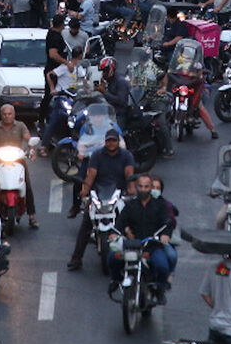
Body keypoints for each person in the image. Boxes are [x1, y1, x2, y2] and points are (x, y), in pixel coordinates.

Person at [67, 129, 134, 269]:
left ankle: (133, 255)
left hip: (119, 194)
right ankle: (76, 258)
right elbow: (91, 174)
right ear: (105, 141)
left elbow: (129, 174)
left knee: (129, 221)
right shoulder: (97, 155)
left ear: (118, 142)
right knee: (86, 223)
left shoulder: (126, 156)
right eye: (109, 140)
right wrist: (85, 191)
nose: (111, 143)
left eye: (114, 141)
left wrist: (131, 190)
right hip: (99, 193)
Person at [110, 173, 174, 302]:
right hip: (132, 245)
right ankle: (116, 281)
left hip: (152, 246)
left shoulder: (160, 205)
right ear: (136, 187)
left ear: (151, 187)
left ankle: (159, 291)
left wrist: (165, 234)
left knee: (162, 266)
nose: (143, 189)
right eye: (140, 186)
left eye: (146, 186)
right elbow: (121, 221)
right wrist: (114, 232)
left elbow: (167, 222)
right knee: (112, 258)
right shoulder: (131, 205)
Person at [0, 103, 38, 229]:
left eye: (9, 114)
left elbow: (28, 138)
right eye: (4, 114)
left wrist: (31, 149)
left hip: (18, 160)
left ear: (14, 115)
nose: (7, 116)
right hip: (0, 161)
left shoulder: (20, 126)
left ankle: (32, 216)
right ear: (1, 115)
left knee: (27, 185)